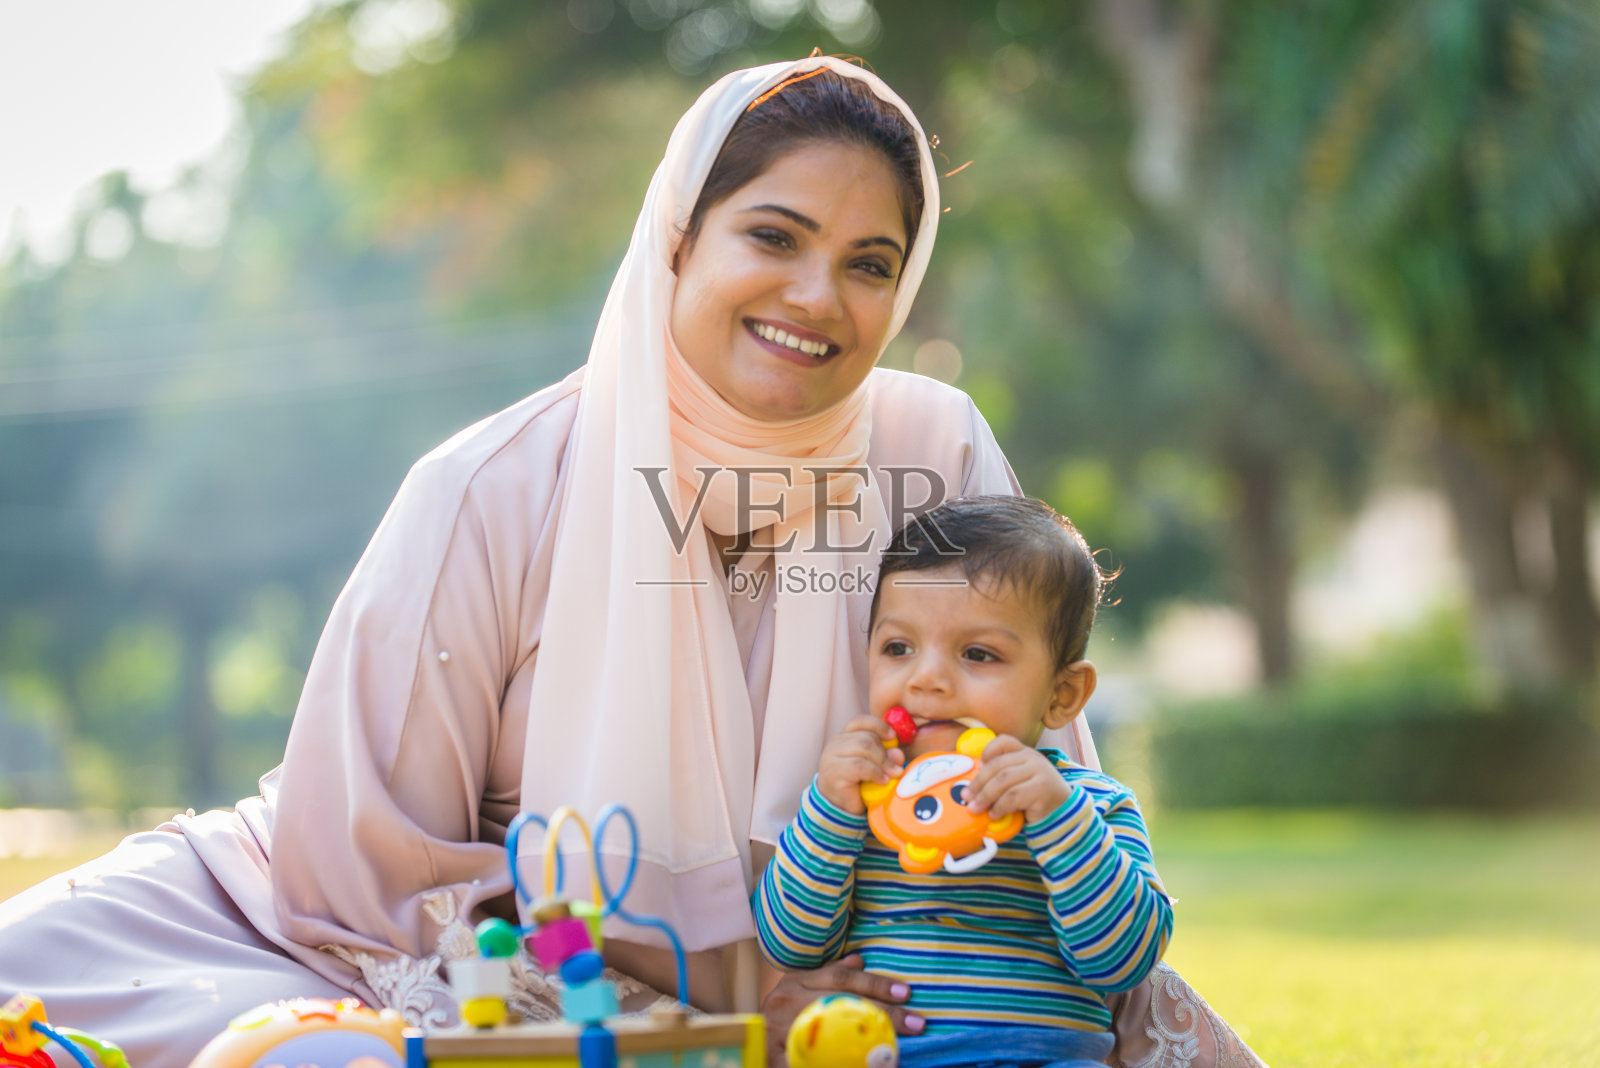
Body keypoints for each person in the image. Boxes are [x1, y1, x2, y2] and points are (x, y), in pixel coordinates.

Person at [0, 56, 1264, 1068]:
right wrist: (715, 988)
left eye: (871, 264)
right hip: (357, 936)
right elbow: (364, 874)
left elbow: (1030, 778)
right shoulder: (494, 487)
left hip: (885, 983)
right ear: (678, 241)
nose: (819, 296)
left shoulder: (931, 448)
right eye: (773, 236)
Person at [754, 496, 1170, 1068]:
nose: (927, 679)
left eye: (978, 653)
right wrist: (830, 812)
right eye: (898, 648)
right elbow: (790, 943)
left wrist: (1059, 818)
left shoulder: (1092, 805)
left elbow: (1123, 960)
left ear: (1061, 694)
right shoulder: (862, 801)